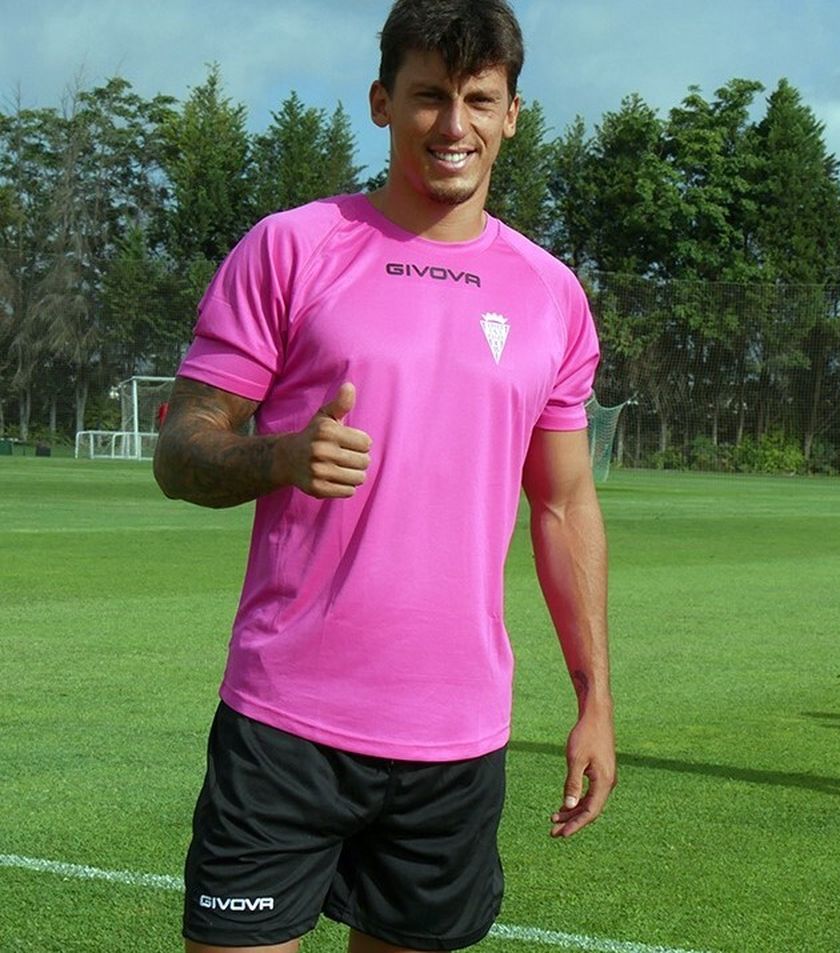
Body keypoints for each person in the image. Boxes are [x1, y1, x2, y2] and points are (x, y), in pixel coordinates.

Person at [152, 3, 616, 950]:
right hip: (285, 723)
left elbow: (564, 506)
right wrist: (281, 456)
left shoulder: (552, 295)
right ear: (382, 102)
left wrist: (595, 701)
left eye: (478, 99)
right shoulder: (292, 247)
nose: (454, 125)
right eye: (429, 96)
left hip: (456, 739)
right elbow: (181, 449)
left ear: (512, 113)